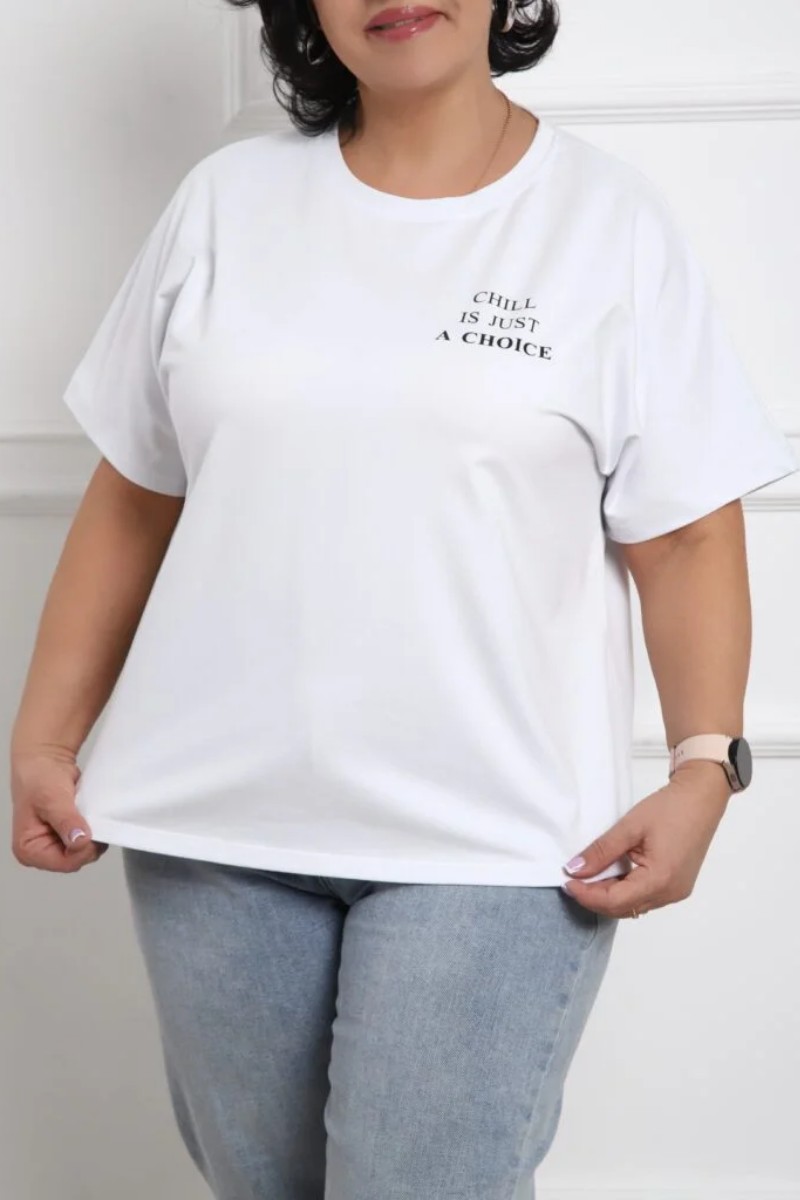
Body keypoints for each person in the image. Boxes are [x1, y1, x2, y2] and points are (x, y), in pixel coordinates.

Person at [9, 0, 799, 1196]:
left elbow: (685, 532)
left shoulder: (607, 222)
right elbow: (134, 497)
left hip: (498, 845)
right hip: (210, 833)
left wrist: (704, 766)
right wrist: (45, 736)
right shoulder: (223, 205)